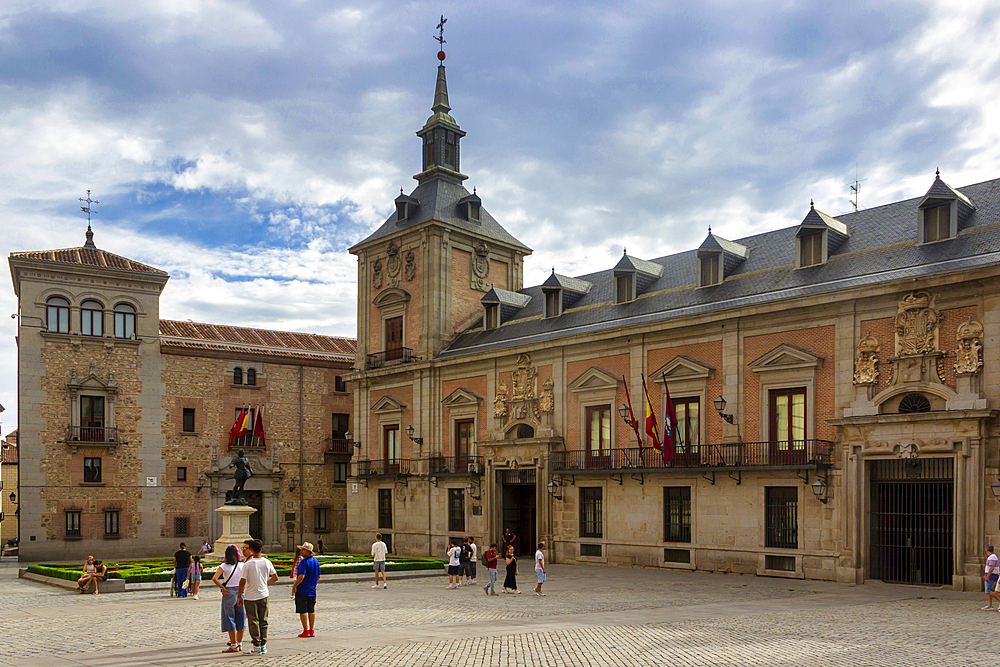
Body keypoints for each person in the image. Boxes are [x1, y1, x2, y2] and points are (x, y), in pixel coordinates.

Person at [238, 539, 278, 655]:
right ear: (261, 549)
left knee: (253, 621)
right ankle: (263, 646)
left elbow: (242, 581)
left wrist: (239, 596)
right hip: (264, 594)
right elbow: (275, 577)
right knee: (263, 620)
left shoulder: (248, 564)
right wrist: (266, 584)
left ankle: (256, 646)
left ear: (251, 549)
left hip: (250, 596)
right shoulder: (266, 562)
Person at [213, 545, 245, 653]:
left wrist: (222, 588)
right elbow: (246, 579)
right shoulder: (242, 565)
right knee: (240, 617)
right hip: (240, 592)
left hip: (229, 593)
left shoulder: (224, 566)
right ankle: (240, 643)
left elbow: (214, 578)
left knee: (230, 618)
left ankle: (233, 644)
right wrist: (244, 590)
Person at [292, 541, 320, 637]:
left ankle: (305, 630)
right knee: (311, 610)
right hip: (312, 590)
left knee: (303, 610)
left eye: (303, 550)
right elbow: (319, 576)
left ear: (308, 552)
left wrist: (295, 585)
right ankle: (312, 630)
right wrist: (313, 583)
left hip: (303, 590)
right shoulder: (316, 561)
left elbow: (301, 576)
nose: (301, 551)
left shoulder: (303, 562)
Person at [984, 544, 1000, 610]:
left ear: (986, 550)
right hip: (990, 574)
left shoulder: (992, 557)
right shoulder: (991, 556)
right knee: (988, 590)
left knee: (989, 590)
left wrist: (987, 576)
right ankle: (990, 605)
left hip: (992, 575)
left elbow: (992, 568)